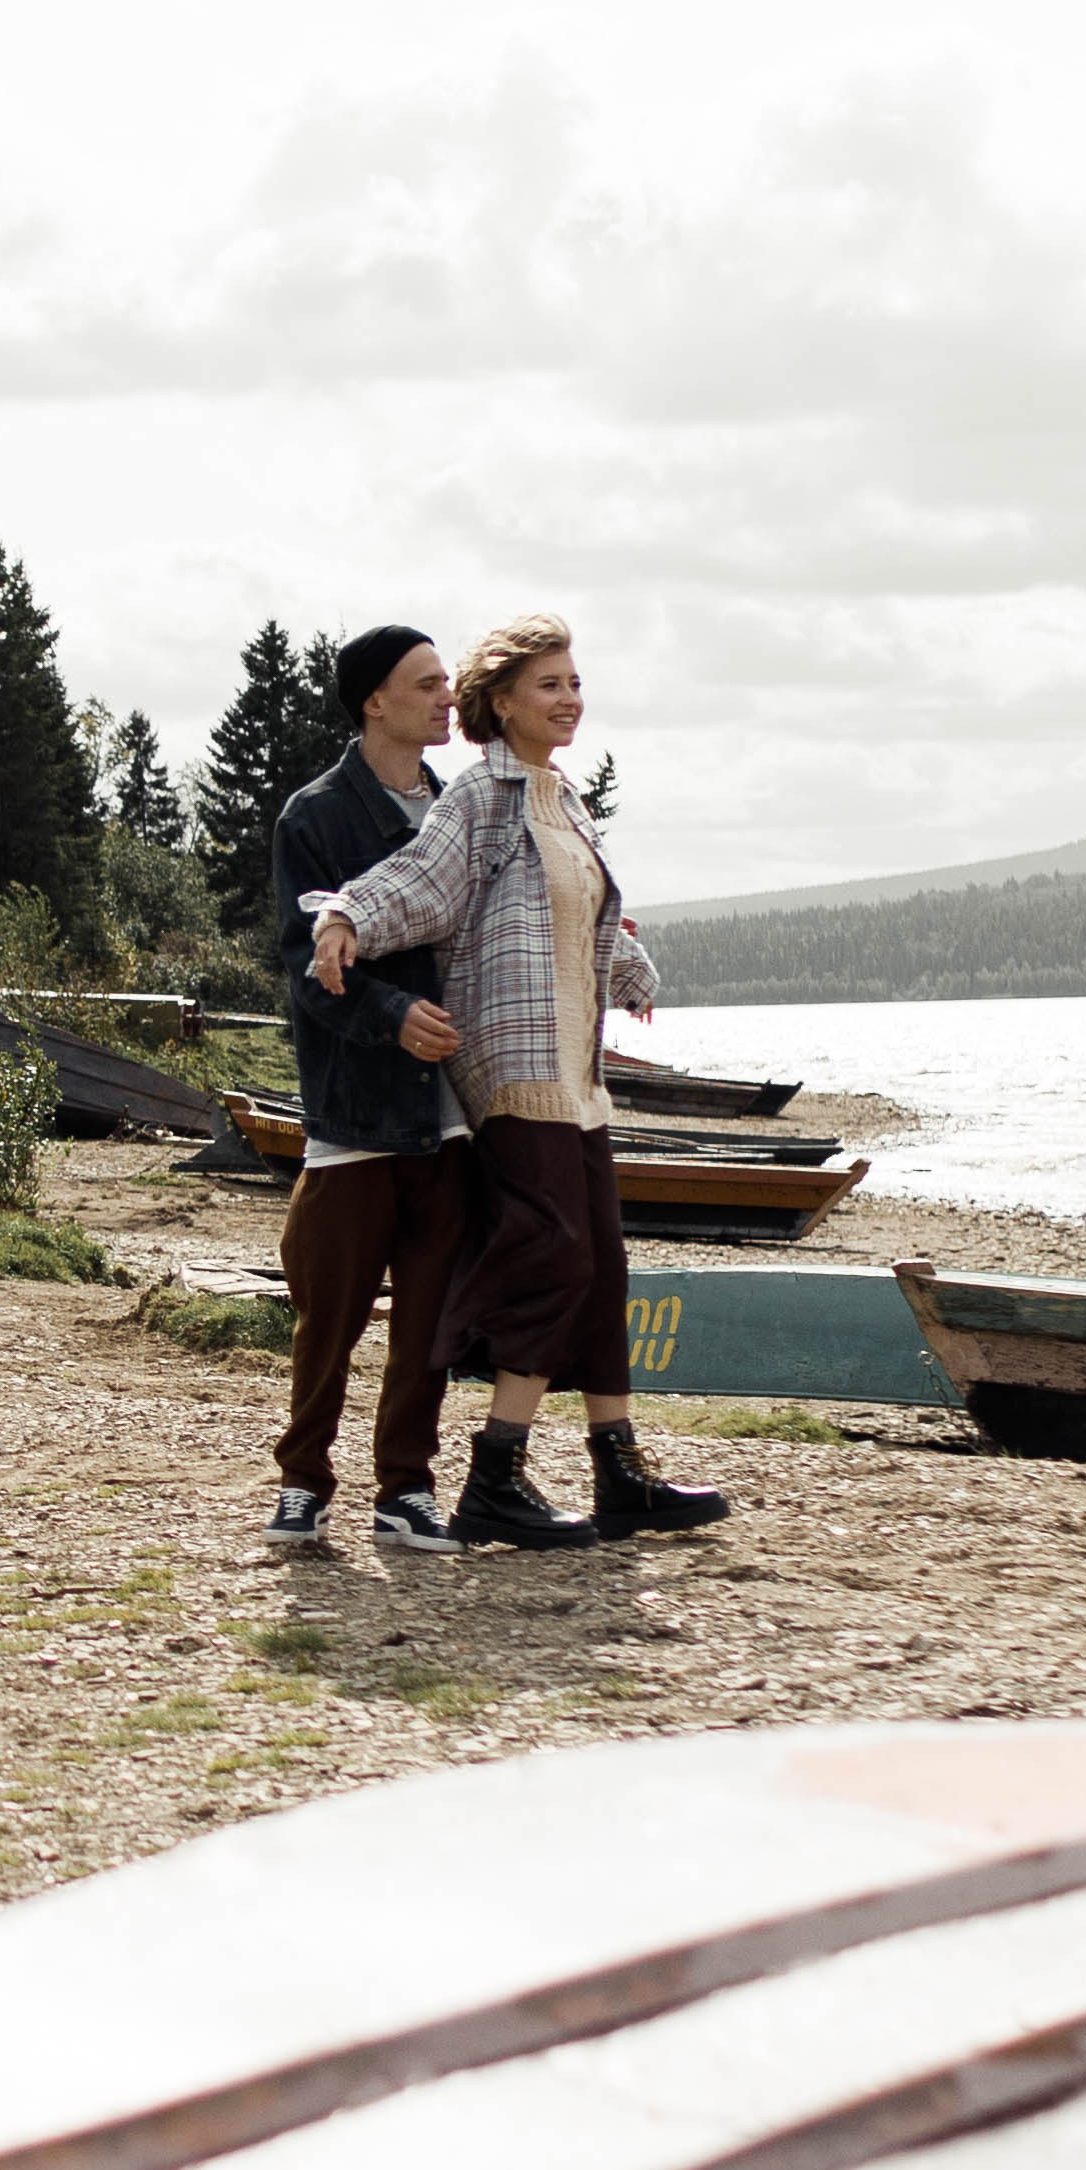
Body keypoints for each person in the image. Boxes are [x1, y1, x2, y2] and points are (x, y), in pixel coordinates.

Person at [308, 615, 729, 1550]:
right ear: (498, 704)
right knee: (553, 1255)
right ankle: (494, 1475)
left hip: (573, 1068)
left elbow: (590, 913)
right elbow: (417, 879)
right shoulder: (481, 797)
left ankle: (619, 1471)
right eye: (548, 685)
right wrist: (344, 915)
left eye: (574, 683)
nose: (569, 699)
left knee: (602, 1263)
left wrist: (631, 972)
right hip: (512, 1059)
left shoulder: (562, 799)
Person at [265, 625, 473, 1554]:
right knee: (329, 1319)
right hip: (354, 1114)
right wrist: (390, 1013)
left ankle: (405, 1491)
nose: (447, 699)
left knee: (427, 1323)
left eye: (449, 683)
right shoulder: (313, 818)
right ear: (372, 702)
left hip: (455, 1116)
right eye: (426, 684)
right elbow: (304, 969)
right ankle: (302, 1483)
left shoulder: (465, 809)